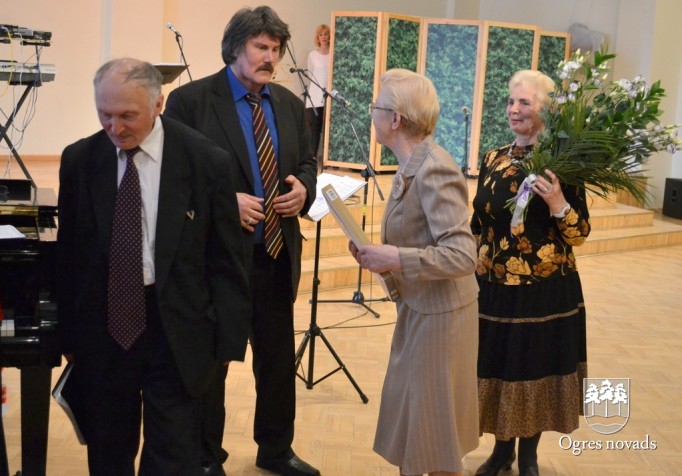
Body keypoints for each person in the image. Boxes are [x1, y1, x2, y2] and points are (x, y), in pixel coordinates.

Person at [56, 58, 251, 476]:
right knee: (108, 450)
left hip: (178, 327)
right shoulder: (80, 160)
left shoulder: (205, 161)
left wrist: (227, 343)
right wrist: (67, 335)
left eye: (128, 115)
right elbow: (69, 256)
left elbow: (226, 260)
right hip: (105, 328)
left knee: (173, 454)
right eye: (104, 114)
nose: (115, 128)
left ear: (158, 104)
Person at [164, 6, 318, 476]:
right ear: (235, 48)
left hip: (275, 255)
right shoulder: (191, 102)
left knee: (277, 366)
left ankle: (276, 450)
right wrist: (224, 203)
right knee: (212, 369)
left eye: (276, 49)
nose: (270, 57)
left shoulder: (289, 104)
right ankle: (206, 458)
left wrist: (303, 188)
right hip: (217, 262)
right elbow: (173, 178)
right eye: (261, 47)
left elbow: (307, 161)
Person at [350, 69, 480, 476]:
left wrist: (394, 258)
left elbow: (462, 255)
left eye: (376, 106)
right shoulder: (410, 164)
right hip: (421, 309)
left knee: (435, 438)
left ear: (395, 119)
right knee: (417, 428)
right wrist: (377, 256)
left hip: (442, 319)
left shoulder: (434, 169)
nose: (371, 113)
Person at [470, 70, 590, 476]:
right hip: (493, 286)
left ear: (545, 110)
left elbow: (578, 233)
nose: (514, 109)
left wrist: (557, 202)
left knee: (533, 369)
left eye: (524, 102)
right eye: (511, 101)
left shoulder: (561, 163)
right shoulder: (494, 158)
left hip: (544, 289)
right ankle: (502, 451)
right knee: (500, 369)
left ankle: (529, 456)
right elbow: (478, 222)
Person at [305, 24, 330, 164]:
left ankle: (330, 159)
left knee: (329, 129)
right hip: (315, 97)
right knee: (314, 128)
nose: (324, 37)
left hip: (330, 97)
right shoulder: (312, 55)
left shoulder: (334, 53)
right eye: (321, 34)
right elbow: (310, 74)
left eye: (326, 34)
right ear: (317, 37)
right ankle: (312, 158)